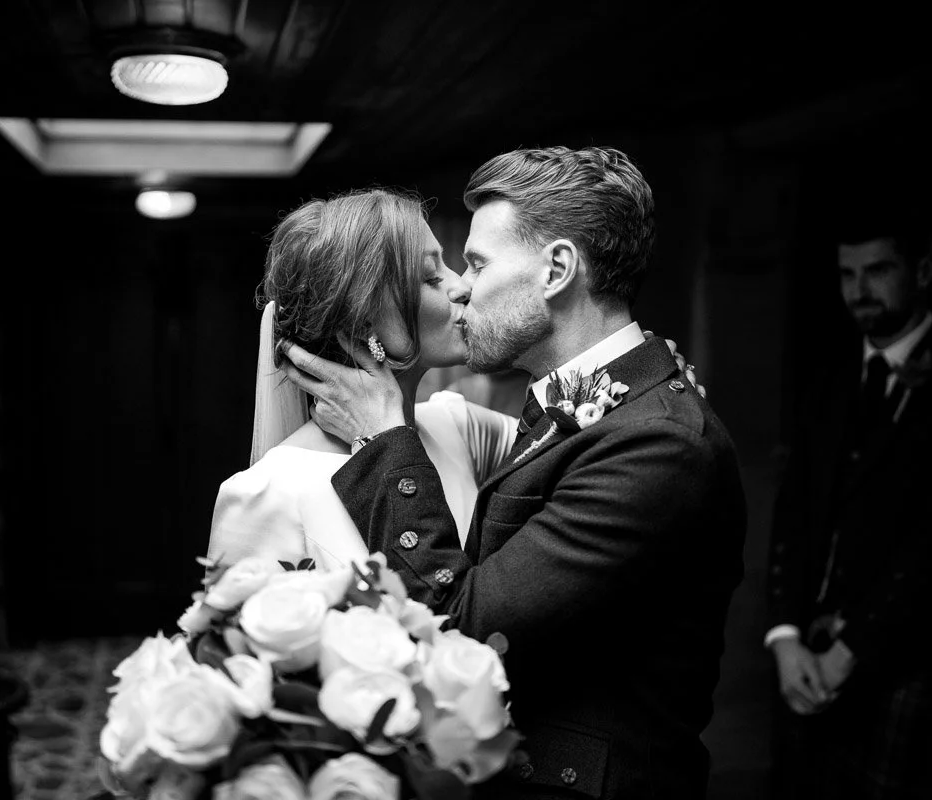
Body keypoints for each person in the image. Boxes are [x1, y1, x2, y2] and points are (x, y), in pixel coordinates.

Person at [279, 145, 747, 799]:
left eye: (476, 262)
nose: (462, 287)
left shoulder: (659, 445)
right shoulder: (588, 397)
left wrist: (384, 432)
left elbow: (465, 631)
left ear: (557, 269)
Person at [206, 187, 703, 572]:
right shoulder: (266, 493)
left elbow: (584, 441)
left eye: (453, 265)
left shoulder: (456, 427)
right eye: (431, 277)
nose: (462, 286)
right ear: (362, 323)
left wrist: (640, 372)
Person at [764, 208, 932, 799]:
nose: (860, 290)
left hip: (909, 660)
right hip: (805, 652)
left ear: (924, 268)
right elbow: (795, 507)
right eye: (847, 273)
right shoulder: (828, 372)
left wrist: (856, 646)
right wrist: (782, 635)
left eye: (879, 269)